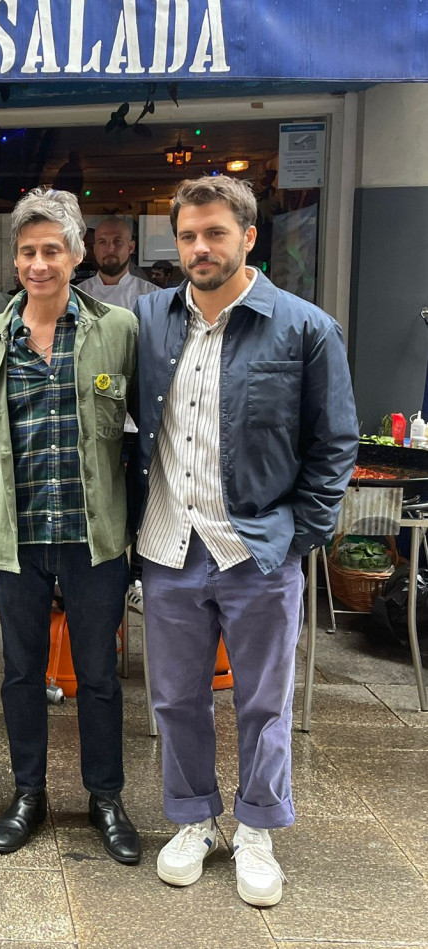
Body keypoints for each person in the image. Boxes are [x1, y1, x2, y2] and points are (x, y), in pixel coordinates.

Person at [132, 175, 358, 906]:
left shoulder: (303, 328)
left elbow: (334, 444)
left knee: (263, 701)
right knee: (174, 699)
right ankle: (193, 818)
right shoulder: (148, 320)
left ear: (247, 237)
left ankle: (257, 827)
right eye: (189, 235)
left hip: (258, 548)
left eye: (215, 233)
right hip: (168, 545)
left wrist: (301, 537)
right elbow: (70, 339)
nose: (200, 247)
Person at [0, 188, 140, 863]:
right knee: (22, 672)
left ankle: (105, 797)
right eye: (27, 251)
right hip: (15, 535)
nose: (37, 262)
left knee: (96, 673)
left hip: (94, 537)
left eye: (51, 249)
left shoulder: (118, 331)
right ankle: (26, 792)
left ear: (77, 253)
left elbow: (145, 438)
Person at [79, 217, 157, 310]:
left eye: (117, 241)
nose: (110, 249)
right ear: (95, 249)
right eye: (102, 242)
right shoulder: (78, 296)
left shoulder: (153, 297)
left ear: (131, 247)